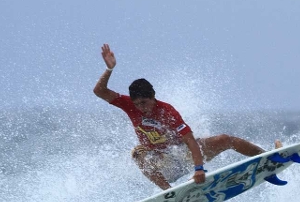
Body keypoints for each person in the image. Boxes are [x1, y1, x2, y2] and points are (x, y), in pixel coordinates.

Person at [93, 44, 278, 190]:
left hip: (184, 153)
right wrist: (109, 69)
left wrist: (199, 168)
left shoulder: (167, 111)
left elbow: (190, 140)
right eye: (138, 104)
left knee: (225, 139)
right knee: (138, 153)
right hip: (163, 163)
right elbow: (99, 91)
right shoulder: (128, 104)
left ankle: (269, 157)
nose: (142, 108)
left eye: (145, 103)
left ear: (153, 96)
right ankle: (169, 192)